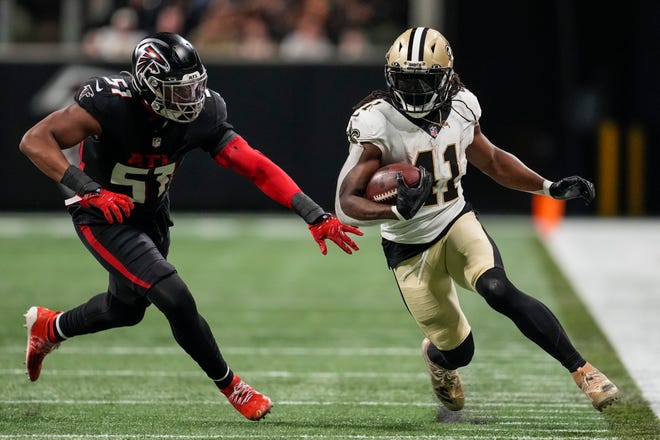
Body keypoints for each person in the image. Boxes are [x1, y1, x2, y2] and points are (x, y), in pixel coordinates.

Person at [20, 32, 362, 422]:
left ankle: (51, 327)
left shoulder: (204, 112)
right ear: (148, 85)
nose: (191, 99)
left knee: (126, 310)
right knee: (173, 294)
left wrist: (313, 213)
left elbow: (253, 164)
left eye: (194, 87)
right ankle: (232, 385)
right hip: (103, 215)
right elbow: (35, 140)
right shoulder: (108, 102)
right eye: (177, 91)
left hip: (152, 213)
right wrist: (88, 189)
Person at [334, 27, 619, 413]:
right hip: (408, 247)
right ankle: (438, 361)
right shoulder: (375, 122)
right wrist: (395, 210)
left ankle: (584, 371)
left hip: (455, 220)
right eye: (406, 81)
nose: (415, 91)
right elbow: (345, 202)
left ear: (447, 78)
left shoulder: (463, 106)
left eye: (424, 81)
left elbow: (494, 161)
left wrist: (549, 188)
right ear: (390, 78)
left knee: (499, 289)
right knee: (458, 351)